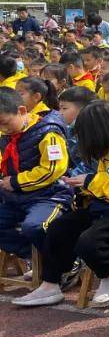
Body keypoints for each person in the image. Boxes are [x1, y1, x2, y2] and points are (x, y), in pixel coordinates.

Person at [15, 100, 109, 307]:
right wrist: (82, 185)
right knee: (59, 228)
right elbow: (107, 183)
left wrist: (89, 181)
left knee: (89, 241)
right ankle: (51, 283)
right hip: (105, 207)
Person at [0, 87, 71, 264]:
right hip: (16, 198)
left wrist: (17, 182)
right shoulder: (7, 135)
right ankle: (35, 256)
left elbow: (53, 170)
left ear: (21, 111)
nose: (2, 128)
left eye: (4, 122)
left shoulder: (49, 133)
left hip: (50, 196)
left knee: (35, 227)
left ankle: (68, 261)